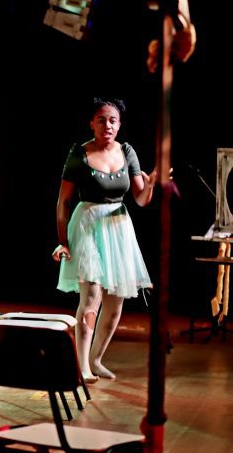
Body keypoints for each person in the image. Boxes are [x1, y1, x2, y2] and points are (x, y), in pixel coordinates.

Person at [51, 98, 155, 383]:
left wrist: (151, 185)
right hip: (88, 225)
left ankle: (96, 360)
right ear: (92, 123)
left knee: (115, 302)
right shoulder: (80, 153)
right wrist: (63, 241)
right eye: (101, 120)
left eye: (112, 120)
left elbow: (141, 199)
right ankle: (81, 364)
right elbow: (63, 202)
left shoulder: (127, 152)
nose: (107, 125)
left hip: (118, 227)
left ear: (119, 125)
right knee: (91, 297)